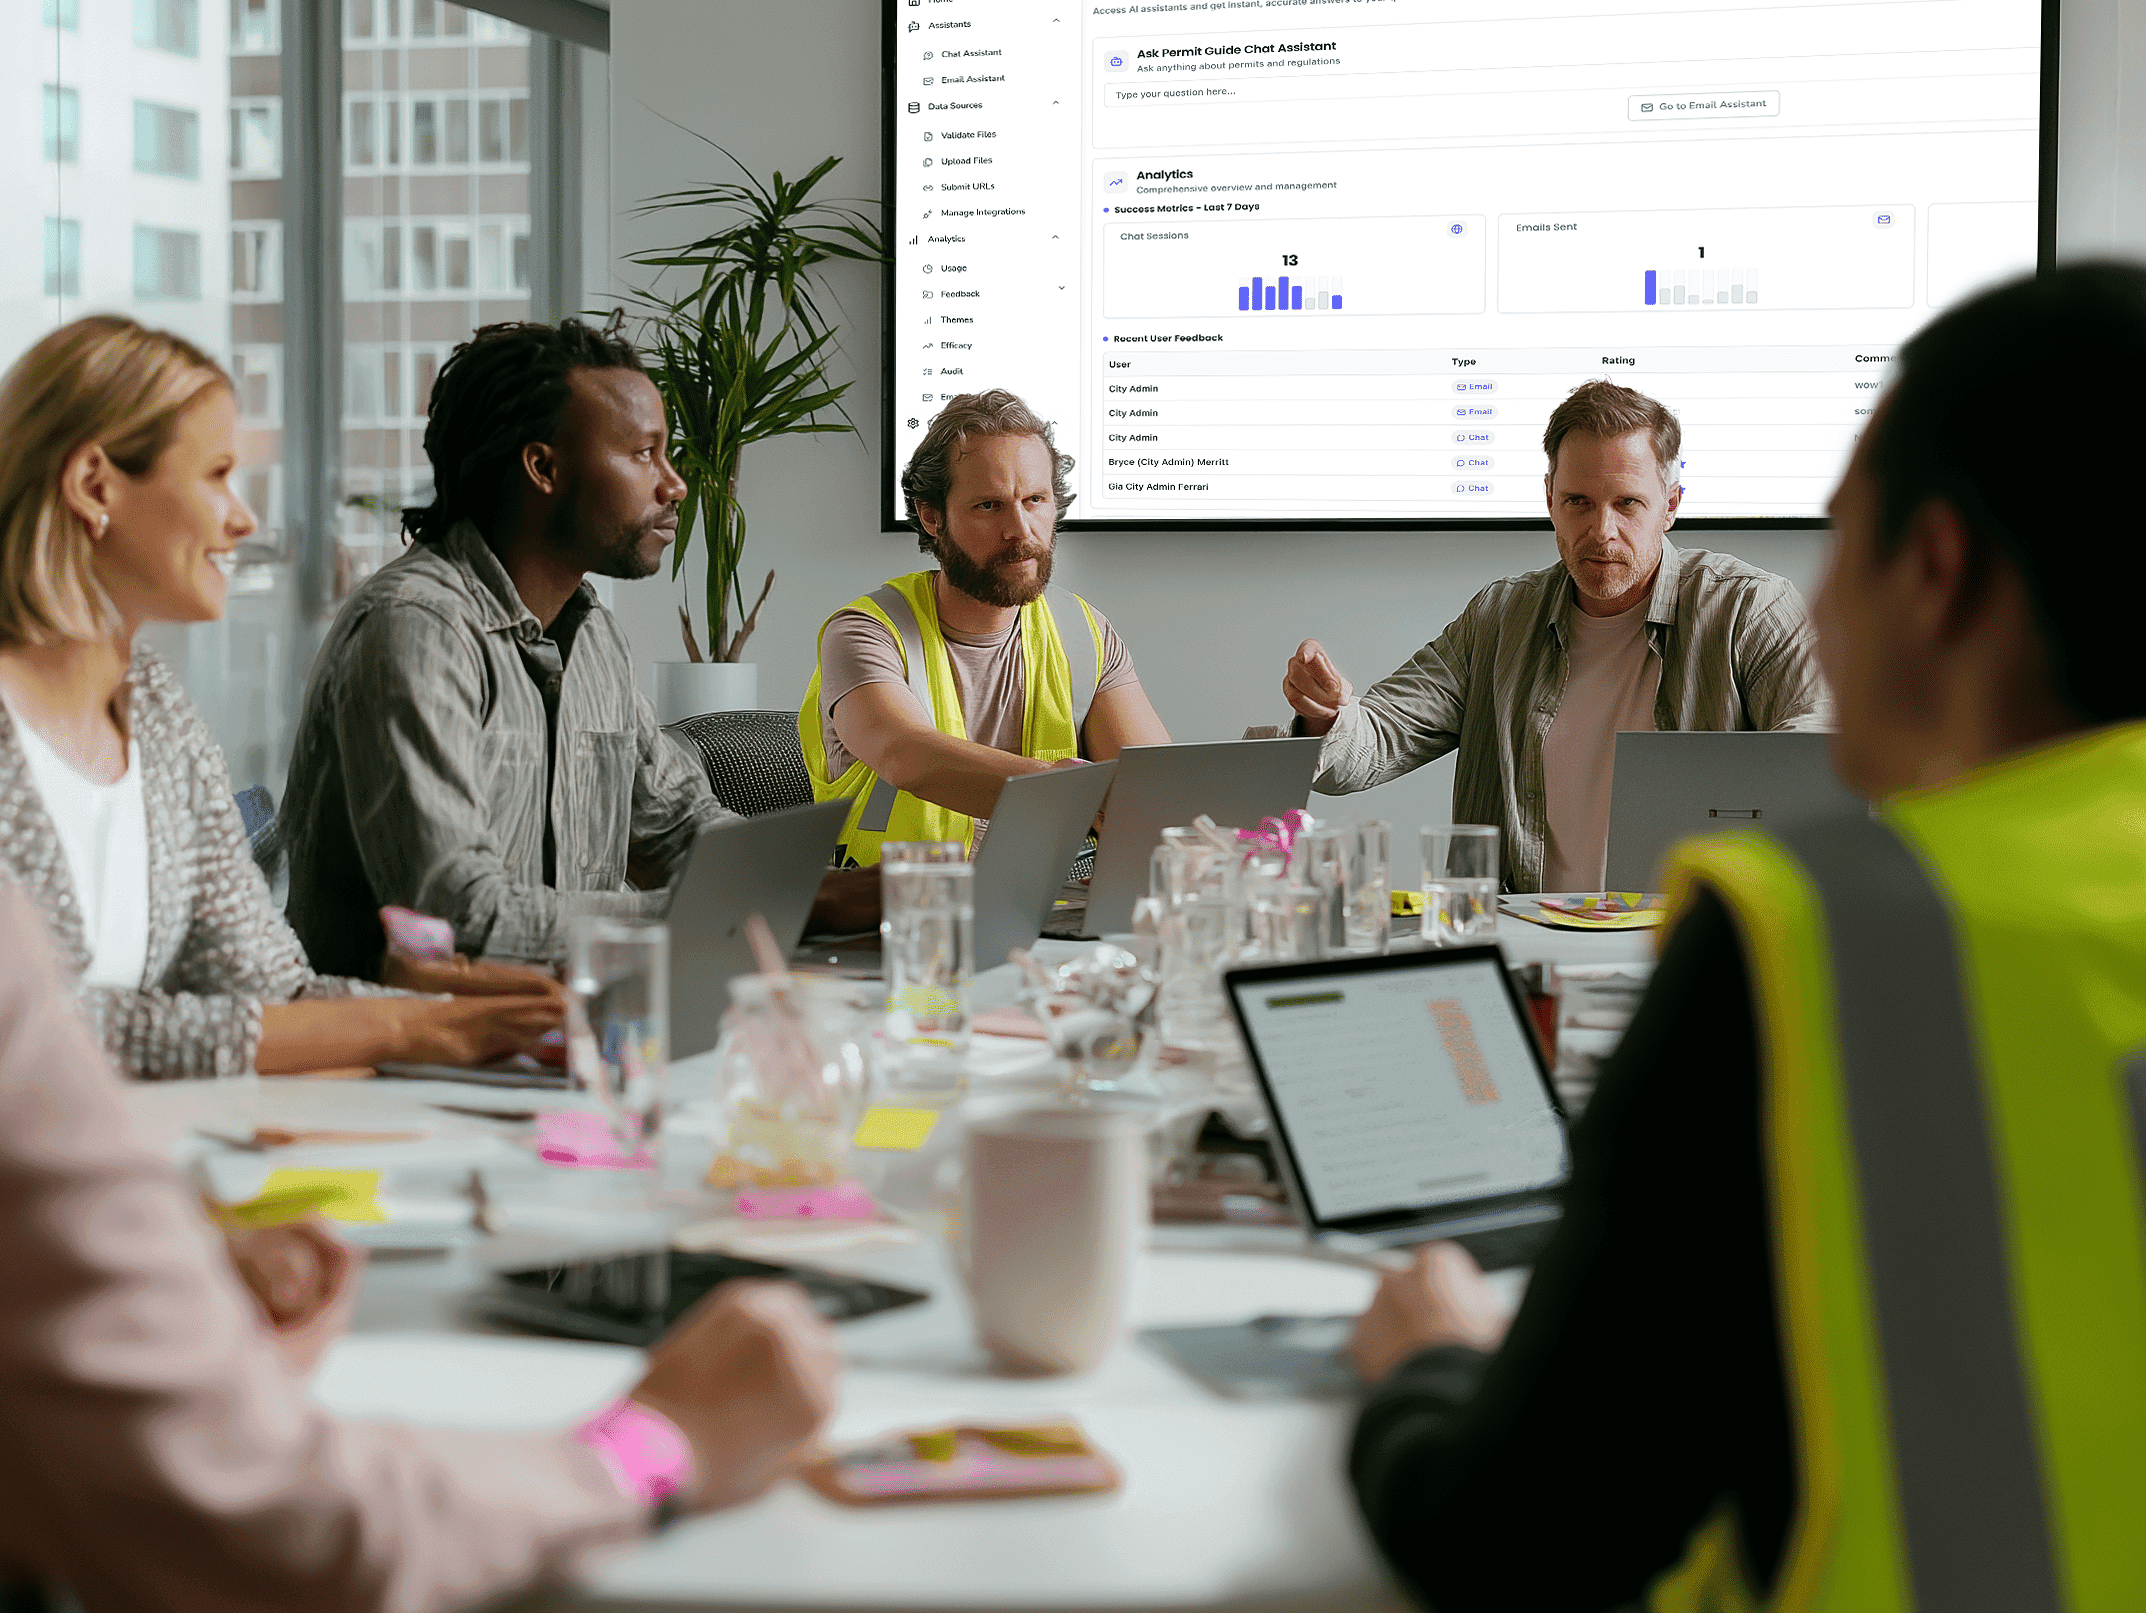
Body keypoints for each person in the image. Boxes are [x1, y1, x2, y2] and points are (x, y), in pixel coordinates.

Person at [0, 117, 841, 1608]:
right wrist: (655, 1443)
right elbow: (285, 1535)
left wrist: (155, 1315)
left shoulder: (136, 721)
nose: (249, 517)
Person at [1340, 265, 2146, 1609]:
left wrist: (1431, 1357)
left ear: (1934, 571)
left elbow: (1515, 1533)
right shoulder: (1502, 622)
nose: (1817, 614)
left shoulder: (1812, 935)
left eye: (1844, 542)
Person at [0, 314, 563, 1081]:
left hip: (159, 1159)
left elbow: (271, 987)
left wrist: (475, 1019)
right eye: (218, 474)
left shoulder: (154, 710)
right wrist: (400, 1027)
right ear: (96, 485)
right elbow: (24, 1027)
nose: (244, 518)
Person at [283, 319, 871, 977]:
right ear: (543, 467)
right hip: (398, 1054)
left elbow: (677, 827)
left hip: (562, 1030)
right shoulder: (415, 631)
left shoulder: (592, 635)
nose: (674, 484)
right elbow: (458, 919)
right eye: (644, 454)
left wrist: (845, 884)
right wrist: (779, 903)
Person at [1280, 380, 1830, 892]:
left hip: (1684, 943)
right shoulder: (1500, 617)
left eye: (1627, 503)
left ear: (1671, 505)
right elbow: (1375, 741)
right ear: (1549, 499)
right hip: (1528, 945)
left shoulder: (1749, 609)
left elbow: (1820, 762)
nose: (1601, 531)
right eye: (1579, 502)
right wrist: (1326, 716)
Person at [801, 389, 1171, 867]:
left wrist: (1301, 725)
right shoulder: (865, 633)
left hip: (1047, 923)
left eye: (1035, 500)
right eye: (989, 507)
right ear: (932, 517)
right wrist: (1060, 790)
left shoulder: (1083, 632)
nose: (1021, 529)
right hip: (894, 921)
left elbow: (1157, 789)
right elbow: (906, 754)